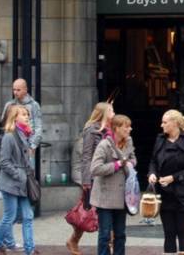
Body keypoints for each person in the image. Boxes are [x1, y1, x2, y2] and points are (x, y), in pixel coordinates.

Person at [148, 110, 184, 255]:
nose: (161, 125)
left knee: (183, 232)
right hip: (165, 194)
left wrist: (173, 177)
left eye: (164, 122)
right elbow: (153, 161)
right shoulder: (160, 139)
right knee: (169, 232)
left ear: (175, 123)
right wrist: (152, 174)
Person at [67, 102, 115, 255]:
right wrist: (86, 180)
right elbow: (87, 156)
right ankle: (75, 240)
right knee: (89, 212)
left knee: (100, 212)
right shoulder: (91, 130)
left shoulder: (110, 130)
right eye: (111, 110)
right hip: (94, 177)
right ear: (104, 113)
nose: (114, 113)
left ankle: (109, 243)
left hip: (107, 176)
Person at [0, 105, 38, 255]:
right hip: (11, 183)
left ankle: (29, 249)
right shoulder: (9, 136)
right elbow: (4, 161)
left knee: (28, 216)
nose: (27, 117)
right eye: (23, 114)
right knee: (9, 217)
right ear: (15, 117)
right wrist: (18, 174)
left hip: (24, 183)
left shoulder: (25, 134)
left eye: (27, 114)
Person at [90, 114, 136, 255]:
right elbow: (95, 168)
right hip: (105, 197)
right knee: (104, 235)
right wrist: (116, 165)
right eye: (126, 127)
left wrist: (131, 163)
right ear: (116, 128)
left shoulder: (128, 142)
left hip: (122, 197)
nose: (130, 129)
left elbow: (133, 159)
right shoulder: (104, 145)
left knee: (120, 234)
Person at [2, 79, 43, 153]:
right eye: (14, 89)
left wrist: (32, 146)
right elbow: (3, 125)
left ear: (25, 90)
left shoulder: (34, 105)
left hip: (27, 146)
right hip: (11, 145)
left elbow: (38, 127)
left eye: (18, 90)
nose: (15, 92)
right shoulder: (9, 105)